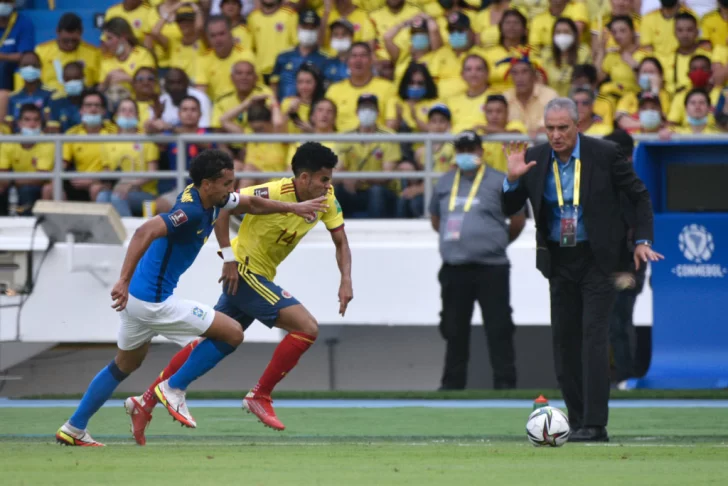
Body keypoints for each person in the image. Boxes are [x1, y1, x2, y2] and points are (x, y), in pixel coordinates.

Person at [55, 149, 327, 447]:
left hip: (137, 301)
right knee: (232, 333)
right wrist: (121, 279)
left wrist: (292, 208)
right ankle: (173, 389)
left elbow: (250, 202)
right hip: (153, 302)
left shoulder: (214, 198)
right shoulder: (191, 212)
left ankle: (74, 427)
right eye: (226, 183)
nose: (231, 189)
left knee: (123, 365)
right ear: (207, 184)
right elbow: (145, 231)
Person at [123, 142, 352, 444]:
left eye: (330, 179)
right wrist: (228, 258)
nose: (328, 185)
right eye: (324, 179)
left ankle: (146, 401)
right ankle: (259, 395)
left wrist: (346, 279)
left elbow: (341, 242)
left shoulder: (328, 199)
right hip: (244, 271)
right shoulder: (271, 191)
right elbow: (223, 208)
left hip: (260, 274)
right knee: (306, 327)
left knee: (215, 341)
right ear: (305, 178)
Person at [502, 97, 663, 442]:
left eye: (563, 128)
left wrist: (642, 240)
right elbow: (509, 205)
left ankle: (595, 424)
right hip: (559, 261)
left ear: (578, 126)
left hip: (599, 260)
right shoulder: (534, 157)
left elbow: (639, 196)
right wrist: (512, 180)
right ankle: (576, 422)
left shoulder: (603, 154)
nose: (556, 135)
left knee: (593, 338)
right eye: (550, 128)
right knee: (564, 343)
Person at [431, 130, 525, 390]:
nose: (466, 154)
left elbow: (518, 219)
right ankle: (452, 385)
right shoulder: (444, 182)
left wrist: (495, 242)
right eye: (461, 150)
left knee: (499, 328)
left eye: (471, 149)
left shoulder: (498, 180)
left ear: (481, 152)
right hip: (454, 267)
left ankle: (506, 384)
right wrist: (458, 242)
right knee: (453, 329)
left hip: (491, 268)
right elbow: (436, 219)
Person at [603, 129, 647, 388]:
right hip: (605, 264)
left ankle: (625, 376)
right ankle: (612, 374)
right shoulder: (606, 183)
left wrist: (631, 269)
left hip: (628, 265)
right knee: (608, 321)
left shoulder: (633, 186)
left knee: (619, 319)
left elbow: (638, 228)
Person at [0, 103, 53, 214]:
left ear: (41, 123)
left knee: (27, 190)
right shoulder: (9, 143)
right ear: (19, 123)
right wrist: (11, 182)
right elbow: (2, 174)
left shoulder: (48, 143)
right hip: (16, 183)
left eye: (36, 120)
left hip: (40, 187)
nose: (32, 124)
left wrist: (13, 181)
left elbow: (40, 178)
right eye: (27, 120)